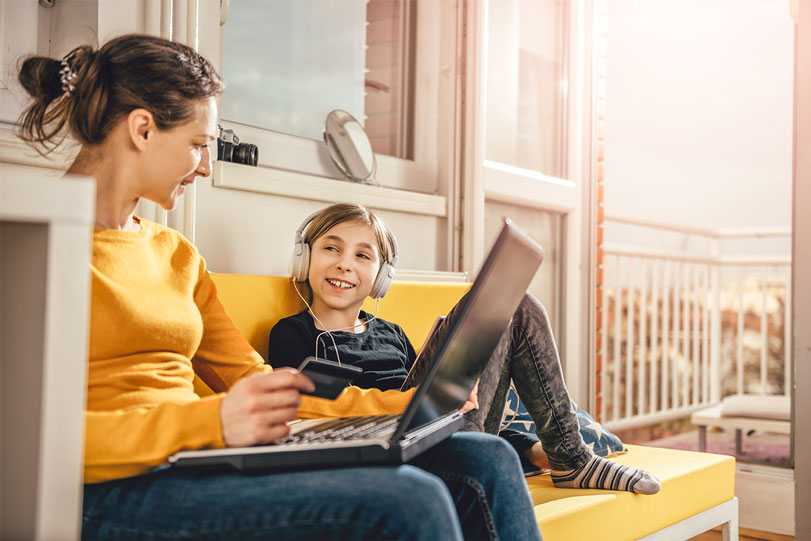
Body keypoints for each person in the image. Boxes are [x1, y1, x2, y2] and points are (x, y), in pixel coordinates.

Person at [18, 34, 543, 540]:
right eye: (199, 145)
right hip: (102, 488)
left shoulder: (175, 255)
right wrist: (211, 422)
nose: (205, 166)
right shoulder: (31, 246)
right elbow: (28, 440)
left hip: (191, 459)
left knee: (485, 458)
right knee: (411, 499)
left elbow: (263, 385)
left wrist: (398, 407)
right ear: (142, 129)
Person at [269, 203, 662, 495]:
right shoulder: (291, 334)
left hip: (451, 436)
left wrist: (528, 449)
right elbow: (311, 418)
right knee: (502, 303)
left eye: (362, 255)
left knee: (518, 305)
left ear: (381, 277)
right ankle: (570, 461)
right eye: (331, 249)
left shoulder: (391, 333)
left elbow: (456, 404)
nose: (344, 265)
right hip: (382, 456)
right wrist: (404, 402)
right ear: (303, 258)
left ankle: (568, 457)